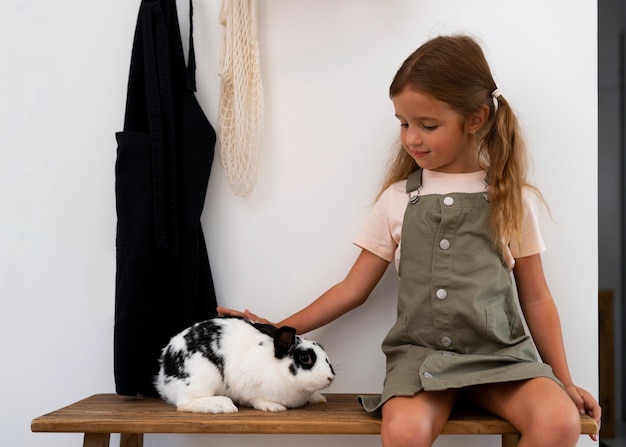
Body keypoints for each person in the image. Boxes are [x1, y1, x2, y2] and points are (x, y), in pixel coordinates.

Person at [218, 34, 601, 447]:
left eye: (428, 126)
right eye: (403, 123)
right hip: (422, 361)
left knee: (559, 422)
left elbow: (537, 297)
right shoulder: (399, 199)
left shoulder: (510, 199)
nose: (411, 138)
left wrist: (563, 379)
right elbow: (352, 289)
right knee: (404, 431)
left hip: (503, 359)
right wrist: (276, 327)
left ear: (476, 118)